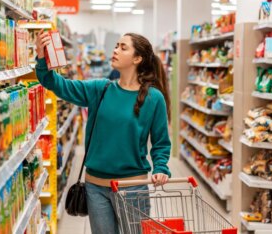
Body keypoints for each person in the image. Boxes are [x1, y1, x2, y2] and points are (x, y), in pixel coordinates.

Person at [35, 31, 172, 234]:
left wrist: (161, 167)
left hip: (132, 188)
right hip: (95, 187)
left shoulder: (153, 98)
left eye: (123, 47)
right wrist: (41, 57)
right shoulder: (100, 89)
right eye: (116, 45)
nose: (115, 50)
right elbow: (56, 84)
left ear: (137, 58)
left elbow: (161, 142)